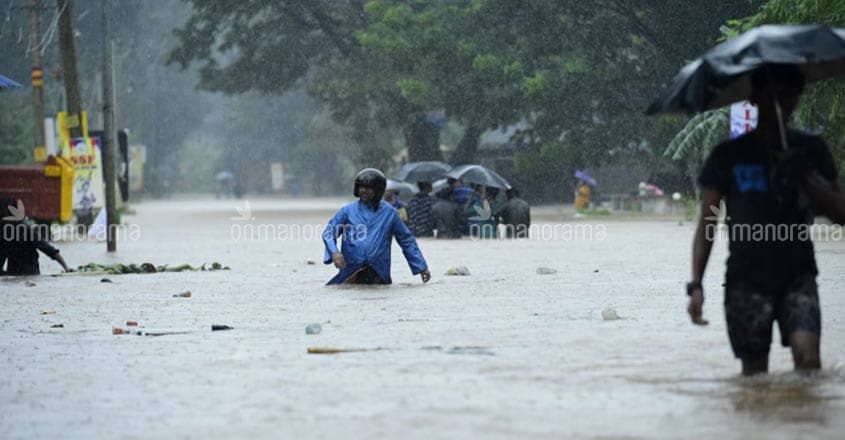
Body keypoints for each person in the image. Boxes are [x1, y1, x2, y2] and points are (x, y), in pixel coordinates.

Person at [688, 65, 841, 376]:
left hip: (798, 274)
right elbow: (707, 223)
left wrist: (805, 177)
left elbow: (841, 213)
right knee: (754, 378)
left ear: (798, 98)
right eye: (771, 94)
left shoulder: (811, 150)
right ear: (754, 99)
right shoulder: (727, 155)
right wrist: (696, 284)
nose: (779, 102)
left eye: (787, 94)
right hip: (746, 280)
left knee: (809, 363)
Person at [322, 169, 431, 285]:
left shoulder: (390, 213)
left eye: (368, 188)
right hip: (350, 270)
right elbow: (329, 232)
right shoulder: (347, 211)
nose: (363, 191)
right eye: (361, 187)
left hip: (378, 271)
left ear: (378, 190)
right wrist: (334, 252)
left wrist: (421, 267)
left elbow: (406, 240)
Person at [1, 198, 73, 275]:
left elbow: (49, 250)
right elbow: (49, 250)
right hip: (25, 274)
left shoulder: (24, 230)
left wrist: (66, 267)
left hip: (24, 274)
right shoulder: (7, 232)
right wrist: (66, 267)